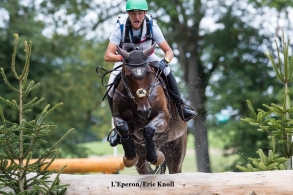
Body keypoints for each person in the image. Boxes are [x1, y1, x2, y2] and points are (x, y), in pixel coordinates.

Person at [104, 0, 198, 146]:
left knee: (167, 71)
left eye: (140, 13)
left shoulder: (152, 26)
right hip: (126, 60)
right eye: (133, 13)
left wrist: (164, 61)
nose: (137, 17)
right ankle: (117, 128)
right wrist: (127, 58)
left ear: (145, 13)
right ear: (128, 14)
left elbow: (169, 52)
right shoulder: (120, 27)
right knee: (110, 85)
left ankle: (181, 107)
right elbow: (108, 55)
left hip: (147, 59)